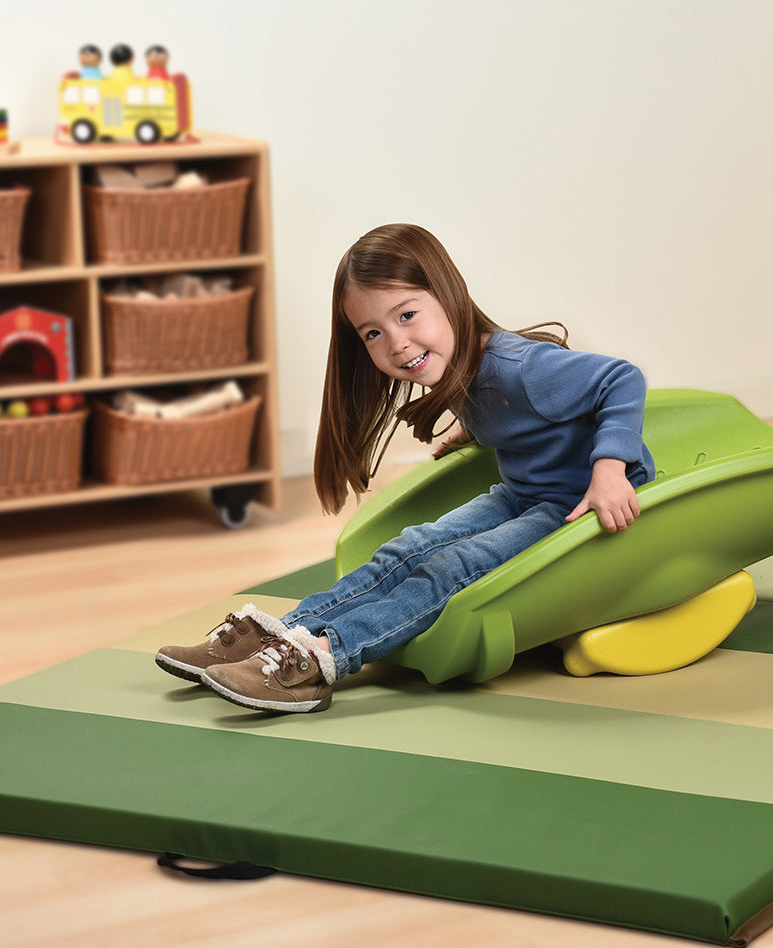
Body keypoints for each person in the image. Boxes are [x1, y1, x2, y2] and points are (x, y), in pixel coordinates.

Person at [156, 223, 656, 713]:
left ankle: (322, 658)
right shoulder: (465, 370)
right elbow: (535, 420)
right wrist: (476, 430)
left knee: (452, 566)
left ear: (450, 295)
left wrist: (609, 472)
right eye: (373, 332)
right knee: (408, 546)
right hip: (524, 493)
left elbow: (621, 379)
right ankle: (280, 634)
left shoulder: (520, 366)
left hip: (574, 504)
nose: (395, 343)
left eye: (408, 315)